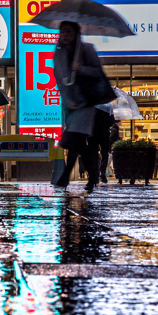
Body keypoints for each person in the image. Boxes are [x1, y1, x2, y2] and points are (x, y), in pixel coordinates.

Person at [53, 20, 111, 193]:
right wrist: (66, 99)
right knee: (78, 143)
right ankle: (93, 175)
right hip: (70, 104)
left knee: (73, 139)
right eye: (62, 31)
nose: (65, 35)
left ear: (76, 33)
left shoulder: (86, 49)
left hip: (86, 102)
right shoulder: (59, 54)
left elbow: (98, 72)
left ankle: (65, 178)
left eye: (69, 31)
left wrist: (81, 69)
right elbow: (60, 81)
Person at [91, 105, 115, 183]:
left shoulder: (92, 106)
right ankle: (103, 173)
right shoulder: (108, 107)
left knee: (94, 154)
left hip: (93, 134)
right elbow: (111, 121)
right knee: (105, 154)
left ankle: (95, 173)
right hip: (104, 134)